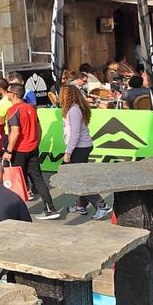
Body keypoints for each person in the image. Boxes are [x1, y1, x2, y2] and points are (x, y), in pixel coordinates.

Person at [1, 84, 59, 219]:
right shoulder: (31, 108)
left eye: (8, 92)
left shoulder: (13, 110)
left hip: (19, 150)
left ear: (13, 95)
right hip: (32, 149)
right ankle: (50, 208)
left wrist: (8, 150)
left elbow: (15, 131)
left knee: (15, 180)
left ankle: (14, 212)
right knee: (38, 179)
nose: (6, 94)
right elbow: (39, 129)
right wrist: (35, 143)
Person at [60, 85, 111, 218]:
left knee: (80, 179)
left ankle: (101, 205)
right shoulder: (75, 109)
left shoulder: (74, 110)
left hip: (79, 148)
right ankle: (80, 205)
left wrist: (68, 152)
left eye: (62, 94)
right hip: (81, 147)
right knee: (79, 176)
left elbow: (75, 134)